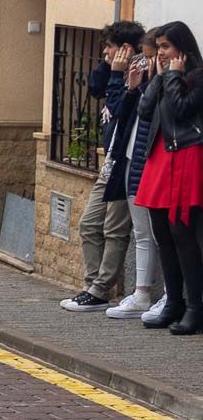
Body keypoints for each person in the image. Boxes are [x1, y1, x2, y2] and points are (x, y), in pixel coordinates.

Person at [59, 21, 144, 312]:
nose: (104, 51)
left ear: (126, 49)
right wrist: (109, 65)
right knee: (88, 224)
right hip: (109, 162)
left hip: (124, 163)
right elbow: (94, 89)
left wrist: (119, 72)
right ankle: (92, 284)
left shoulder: (138, 75)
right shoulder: (114, 70)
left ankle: (100, 289)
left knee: (114, 228)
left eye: (108, 46)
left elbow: (121, 108)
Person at [135, 22, 203, 334]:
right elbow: (145, 111)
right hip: (160, 159)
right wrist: (159, 78)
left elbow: (180, 111)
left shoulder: (198, 77)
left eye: (165, 47)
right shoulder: (165, 77)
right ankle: (173, 302)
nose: (160, 53)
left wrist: (173, 76)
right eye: (158, 47)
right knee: (162, 233)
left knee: (183, 235)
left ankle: (194, 308)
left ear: (182, 49)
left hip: (186, 158)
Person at [99, 26, 163, 320]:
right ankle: (141, 293)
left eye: (151, 58)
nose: (147, 63)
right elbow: (117, 111)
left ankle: (159, 295)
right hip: (131, 161)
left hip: (153, 165)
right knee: (141, 233)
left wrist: (161, 78)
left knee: (159, 234)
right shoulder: (140, 85)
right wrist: (129, 84)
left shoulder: (166, 84)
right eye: (147, 56)